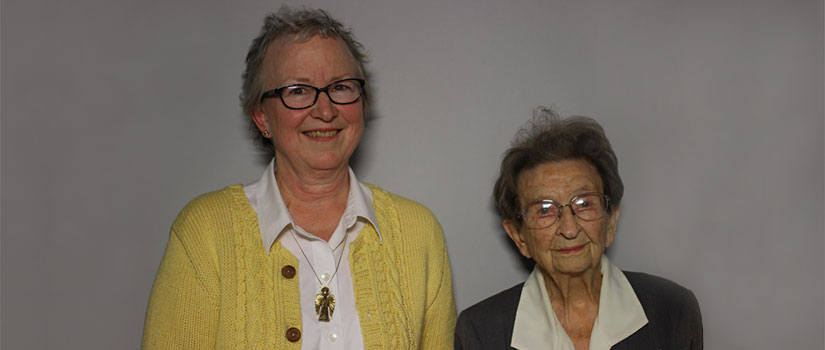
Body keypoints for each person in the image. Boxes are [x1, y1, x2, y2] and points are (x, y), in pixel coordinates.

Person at [142, 7, 455, 349]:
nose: (325, 110)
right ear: (262, 116)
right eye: (298, 91)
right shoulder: (206, 232)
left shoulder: (418, 233)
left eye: (341, 87)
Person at [454, 108, 702, 350]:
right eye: (544, 210)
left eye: (584, 204)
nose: (569, 229)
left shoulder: (673, 311)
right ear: (519, 237)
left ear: (611, 221)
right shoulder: (480, 332)